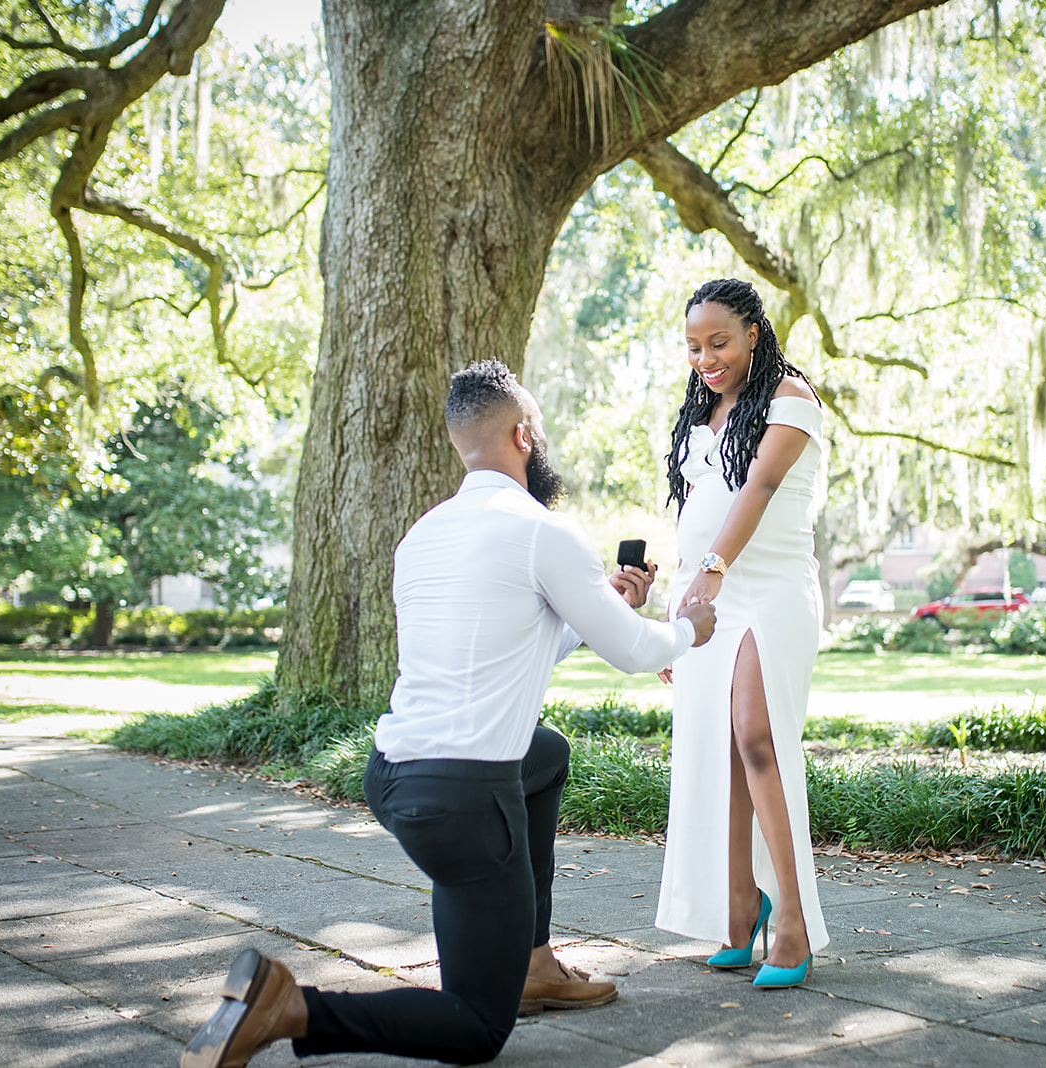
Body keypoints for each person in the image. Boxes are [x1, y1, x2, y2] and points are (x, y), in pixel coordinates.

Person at [182, 360, 716, 1068]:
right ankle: (292, 1007)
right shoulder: (542, 531)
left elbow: (511, 647)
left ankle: (531, 961)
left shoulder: (424, 535)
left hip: (395, 776)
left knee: (545, 753)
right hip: (461, 801)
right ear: (524, 435)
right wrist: (689, 630)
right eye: (541, 431)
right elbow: (636, 653)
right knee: (475, 1030)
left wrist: (603, 610)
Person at [654, 278, 830, 990]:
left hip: (770, 592)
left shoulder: (791, 401)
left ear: (755, 330)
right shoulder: (704, 413)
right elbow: (695, 517)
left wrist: (714, 570)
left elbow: (756, 489)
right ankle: (738, 905)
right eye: (694, 347)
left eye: (719, 342)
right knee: (717, 753)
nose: (706, 358)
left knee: (756, 736)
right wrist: (681, 608)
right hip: (709, 594)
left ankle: (791, 920)